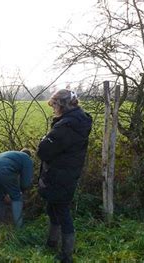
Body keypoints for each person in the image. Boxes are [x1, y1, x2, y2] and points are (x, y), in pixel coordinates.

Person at [37, 89, 92, 263]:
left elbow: (43, 151)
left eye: (54, 105)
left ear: (61, 104)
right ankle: (52, 242)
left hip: (60, 174)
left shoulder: (66, 125)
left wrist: (44, 140)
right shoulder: (79, 121)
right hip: (68, 172)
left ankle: (66, 255)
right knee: (53, 208)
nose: (53, 109)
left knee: (61, 210)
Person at [0, 149, 33, 228]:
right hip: (3, 169)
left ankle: (1, 223)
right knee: (16, 197)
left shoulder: (12, 155)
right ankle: (19, 227)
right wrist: (21, 191)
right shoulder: (26, 158)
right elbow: (26, 183)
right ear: (29, 156)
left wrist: (6, 193)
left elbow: (4, 181)